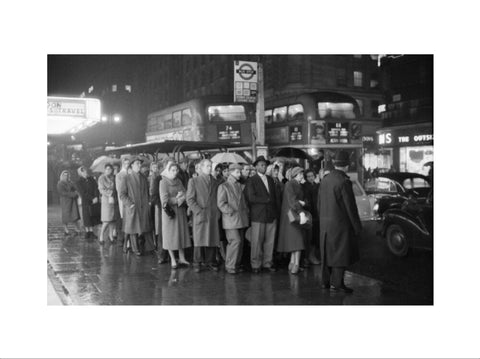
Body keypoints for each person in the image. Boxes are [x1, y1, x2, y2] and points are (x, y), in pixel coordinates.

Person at [317, 150, 362, 293]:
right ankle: (337, 283)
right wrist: (357, 226)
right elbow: (350, 207)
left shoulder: (325, 180)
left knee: (326, 253)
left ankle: (325, 282)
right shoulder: (344, 181)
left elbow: (318, 203)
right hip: (340, 224)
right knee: (340, 254)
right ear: (347, 166)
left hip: (325, 224)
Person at [244, 156, 279, 273]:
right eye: (261, 165)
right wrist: (267, 199)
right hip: (258, 215)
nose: (263, 167)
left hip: (271, 214)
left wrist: (275, 210)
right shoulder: (251, 180)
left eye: (265, 165)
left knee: (270, 240)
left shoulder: (270, 179)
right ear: (256, 166)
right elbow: (251, 197)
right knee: (256, 241)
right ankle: (255, 264)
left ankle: (267, 263)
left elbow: (275, 197)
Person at [186, 159, 222, 272]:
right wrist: (198, 211)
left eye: (210, 166)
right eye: (207, 166)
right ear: (201, 168)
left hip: (212, 214)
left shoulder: (216, 182)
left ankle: (210, 261)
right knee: (199, 239)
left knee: (212, 237)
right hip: (200, 214)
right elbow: (190, 199)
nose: (209, 168)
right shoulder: (193, 181)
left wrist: (218, 212)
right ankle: (197, 262)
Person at [118, 157, 155, 256]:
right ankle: (135, 249)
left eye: (140, 163)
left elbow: (147, 192)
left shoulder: (143, 177)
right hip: (132, 207)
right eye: (137, 163)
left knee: (144, 226)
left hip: (143, 206)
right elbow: (122, 194)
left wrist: (149, 202)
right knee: (133, 228)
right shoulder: (126, 178)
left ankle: (148, 247)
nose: (139, 165)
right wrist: (130, 204)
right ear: (132, 165)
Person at [217, 163, 249, 274]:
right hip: (231, 219)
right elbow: (221, 203)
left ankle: (236, 264)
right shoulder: (224, 186)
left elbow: (243, 203)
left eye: (239, 172)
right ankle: (230, 265)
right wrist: (230, 211)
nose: (239, 174)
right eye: (237, 172)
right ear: (231, 172)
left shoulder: (239, 186)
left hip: (240, 218)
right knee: (235, 241)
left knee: (239, 243)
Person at [160, 161, 192, 269]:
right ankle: (173, 259)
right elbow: (164, 200)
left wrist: (183, 196)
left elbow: (185, 191)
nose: (175, 172)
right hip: (170, 213)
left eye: (176, 170)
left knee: (180, 235)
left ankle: (182, 258)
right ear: (168, 170)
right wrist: (177, 199)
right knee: (170, 236)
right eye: (173, 170)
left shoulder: (178, 180)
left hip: (180, 211)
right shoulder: (163, 182)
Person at [277, 167, 308, 274]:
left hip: (290, 215)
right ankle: (296, 264)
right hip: (294, 214)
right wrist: (301, 211)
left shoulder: (292, 184)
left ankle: (292, 263)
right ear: (295, 175)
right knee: (298, 240)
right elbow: (292, 201)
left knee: (294, 240)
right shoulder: (291, 184)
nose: (302, 176)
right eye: (300, 174)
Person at [149, 162, 169, 263]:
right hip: (162, 208)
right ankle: (162, 254)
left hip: (172, 208)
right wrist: (161, 205)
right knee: (162, 231)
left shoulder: (176, 178)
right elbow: (154, 196)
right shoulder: (158, 179)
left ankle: (171, 254)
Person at [76, 166, 101, 240]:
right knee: (86, 217)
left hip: (94, 201)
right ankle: (88, 232)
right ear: (80, 173)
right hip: (86, 201)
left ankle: (91, 232)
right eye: (82, 171)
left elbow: (96, 188)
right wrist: (92, 198)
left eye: (85, 171)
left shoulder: (91, 179)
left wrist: (96, 197)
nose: (85, 172)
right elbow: (82, 193)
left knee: (92, 216)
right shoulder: (79, 182)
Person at [98, 164, 120, 244]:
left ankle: (111, 236)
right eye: (107, 169)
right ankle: (101, 236)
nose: (108, 171)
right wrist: (110, 193)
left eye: (110, 169)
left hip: (113, 199)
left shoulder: (113, 177)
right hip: (106, 200)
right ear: (104, 170)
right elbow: (101, 189)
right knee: (106, 220)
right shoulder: (101, 178)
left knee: (112, 220)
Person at [302, 169, 321, 265]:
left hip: (317, 214)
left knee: (316, 236)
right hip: (310, 214)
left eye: (312, 176)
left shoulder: (317, 186)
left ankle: (312, 255)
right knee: (310, 237)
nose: (310, 178)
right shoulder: (304, 187)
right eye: (308, 176)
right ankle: (309, 256)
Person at [56, 170, 81, 235]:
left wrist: (76, 192)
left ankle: (76, 228)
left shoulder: (71, 182)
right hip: (65, 201)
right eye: (64, 175)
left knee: (74, 214)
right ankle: (65, 229)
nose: (66, 176)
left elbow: (76, 189)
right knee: (66, 215)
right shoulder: (60, 183)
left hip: (72, 201)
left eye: (67, 175)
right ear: (62, 176)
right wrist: (73, 194)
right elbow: (62, 192)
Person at [116, 157, 131, 245]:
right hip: (124, 198)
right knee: (125, 219)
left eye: (128, 163)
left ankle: (130, 241)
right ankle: (125, 241)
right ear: (122, 164)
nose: (127, 165)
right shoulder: (119, 175)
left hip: (131, 197)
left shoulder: (131, 173)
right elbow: (119, 189)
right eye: (125, 163)